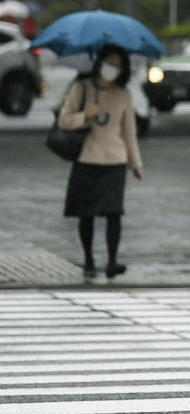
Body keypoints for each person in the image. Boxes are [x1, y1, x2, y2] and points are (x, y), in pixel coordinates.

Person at [58, 45, 145, 279]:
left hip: (115, 161)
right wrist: (85, 114)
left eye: (118, 65)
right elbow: (64, 121)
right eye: (110, 62)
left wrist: (136, 164)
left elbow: (129, 133)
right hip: (87, 159)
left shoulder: (123, 94)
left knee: (113, 212)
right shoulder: (81, 88)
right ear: (99, 62)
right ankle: (88, 260)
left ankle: (112, 261)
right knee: (86, 213)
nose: (112, 68)